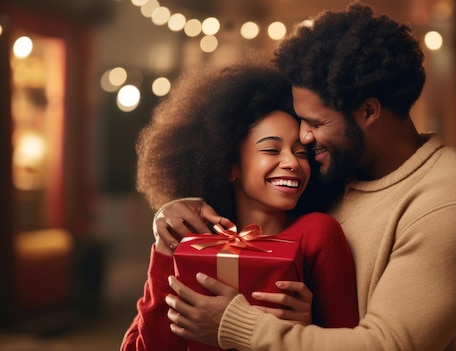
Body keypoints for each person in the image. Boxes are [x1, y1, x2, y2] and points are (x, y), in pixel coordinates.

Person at [155, 3, 456, 350]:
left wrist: (236, 324)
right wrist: (177, 208)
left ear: (368, 111)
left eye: (317, 123)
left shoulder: (452, 203)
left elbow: (387, 345)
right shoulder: (337, 170)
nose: (304, 138)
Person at [120, 63, 359, 351]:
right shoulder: (194, 242)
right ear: (230, 165)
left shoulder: (317, 233)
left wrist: (305, 333)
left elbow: (347, 341)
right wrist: (164, 250)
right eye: (271, 149)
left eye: (301, 152)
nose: (293, 163)